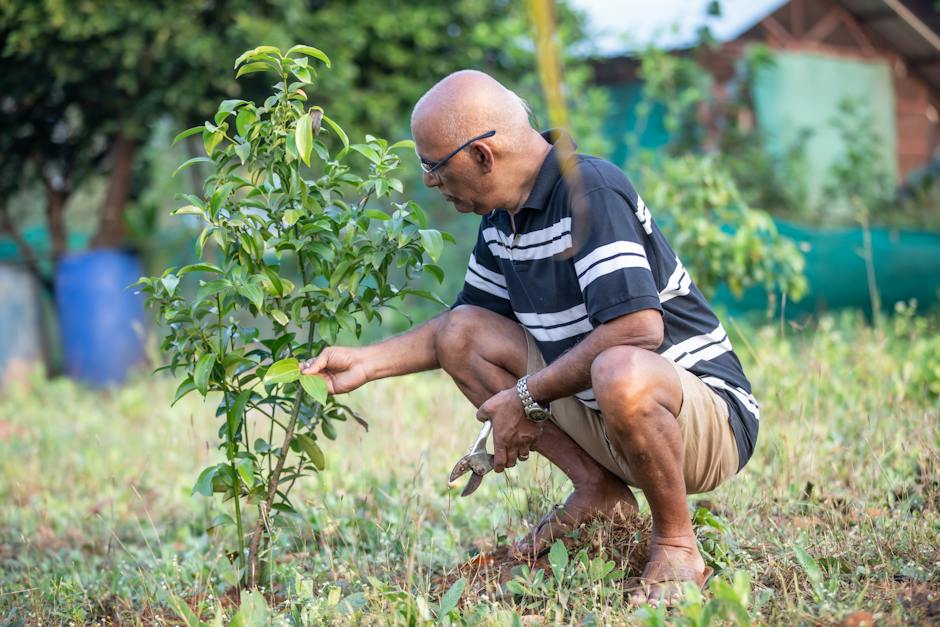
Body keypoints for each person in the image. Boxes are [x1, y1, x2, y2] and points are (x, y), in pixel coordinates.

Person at [300, 70, 759, 605]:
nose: (429, 182)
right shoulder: (502, 221)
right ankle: (599, 491)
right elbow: (462, 327)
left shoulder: (590, 191)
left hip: (703, 420)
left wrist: (526, 395)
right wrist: (365, 363)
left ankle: (677, 543)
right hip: (607, 414)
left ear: (482, 156)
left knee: (620, 368)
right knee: (462, 335)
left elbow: (638, 330)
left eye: (433, 165)